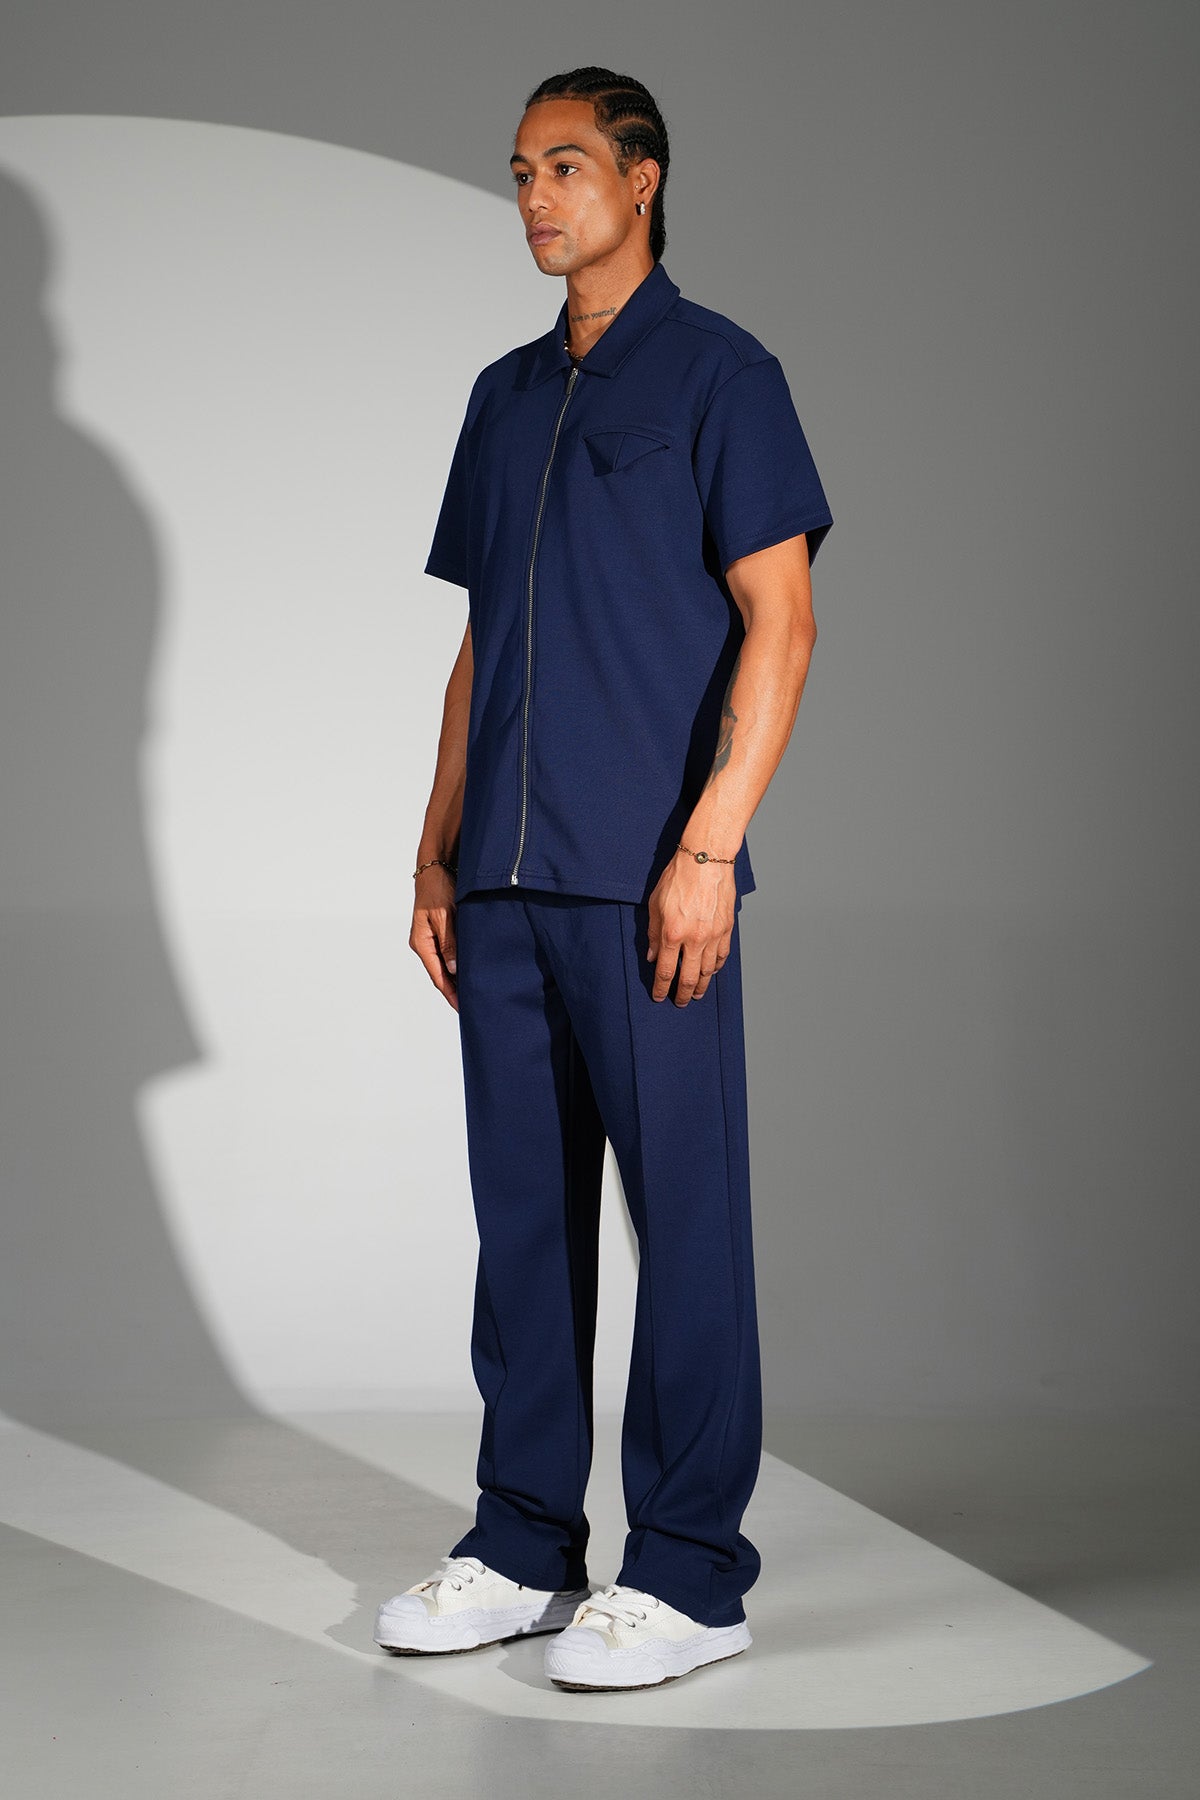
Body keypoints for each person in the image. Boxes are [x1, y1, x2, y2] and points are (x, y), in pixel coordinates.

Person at [375, 65, 833, 1692]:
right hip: (502, 885)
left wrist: (707, 848)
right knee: (524, 1231)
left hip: (648, 882)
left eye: (565, 166)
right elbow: (481, 641)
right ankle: (521, 1548)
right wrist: (435, 847)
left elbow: (781, 622)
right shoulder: (503, 398)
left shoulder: (723, 376)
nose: (535, 197)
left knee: (685, 1227)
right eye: (519, 172)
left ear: (642, 179)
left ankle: (693, 1573)